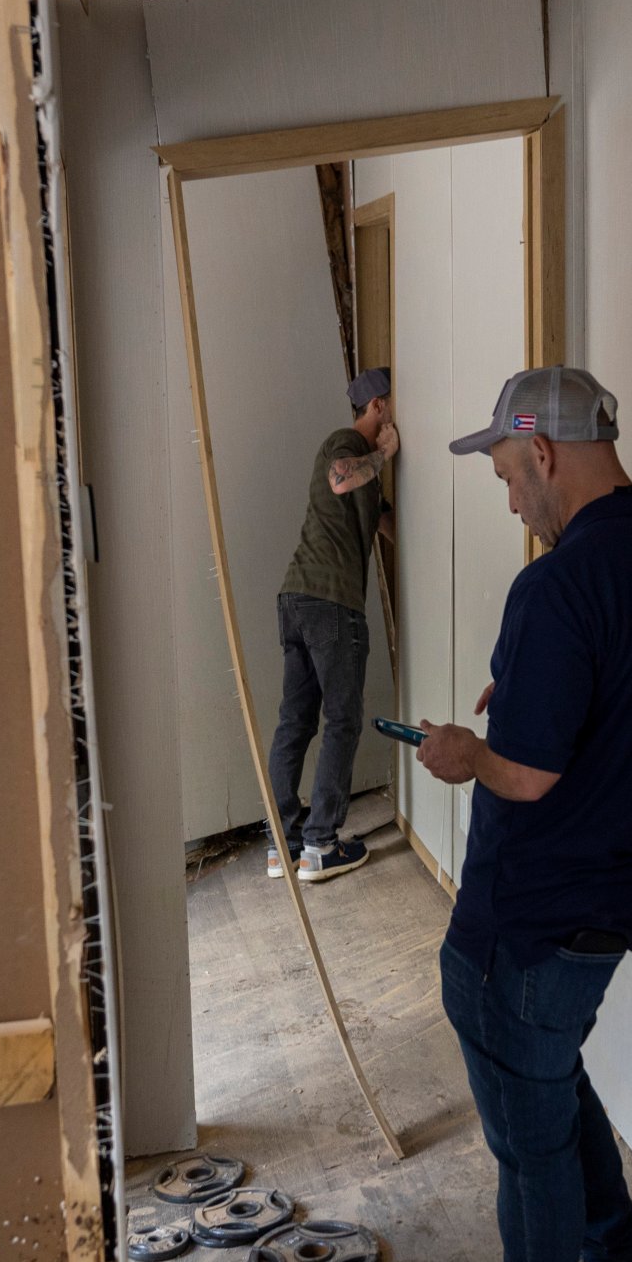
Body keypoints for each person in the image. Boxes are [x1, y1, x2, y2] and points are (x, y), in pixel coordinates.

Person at [412, 367, 632, 1262]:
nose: (517, 500)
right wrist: (529, 708)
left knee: (528, 1144)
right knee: (547, 1076)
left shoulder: (555, 587)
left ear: (544, 452)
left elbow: (532, 776)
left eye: (512, 475)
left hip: (524, 919)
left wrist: (471, 750)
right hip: (617, 906)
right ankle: (617, 1257)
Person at [265, 365, 399, 884]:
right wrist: (385, 452)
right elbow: (342, 478)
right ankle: (320, 846)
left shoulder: (365, 469)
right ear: (378, 409)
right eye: (391, 406)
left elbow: (384, 522)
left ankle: (284, 846)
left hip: (298, 598)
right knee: (341, 719)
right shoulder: (345, 443)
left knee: (296, 720)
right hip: (330, 604)